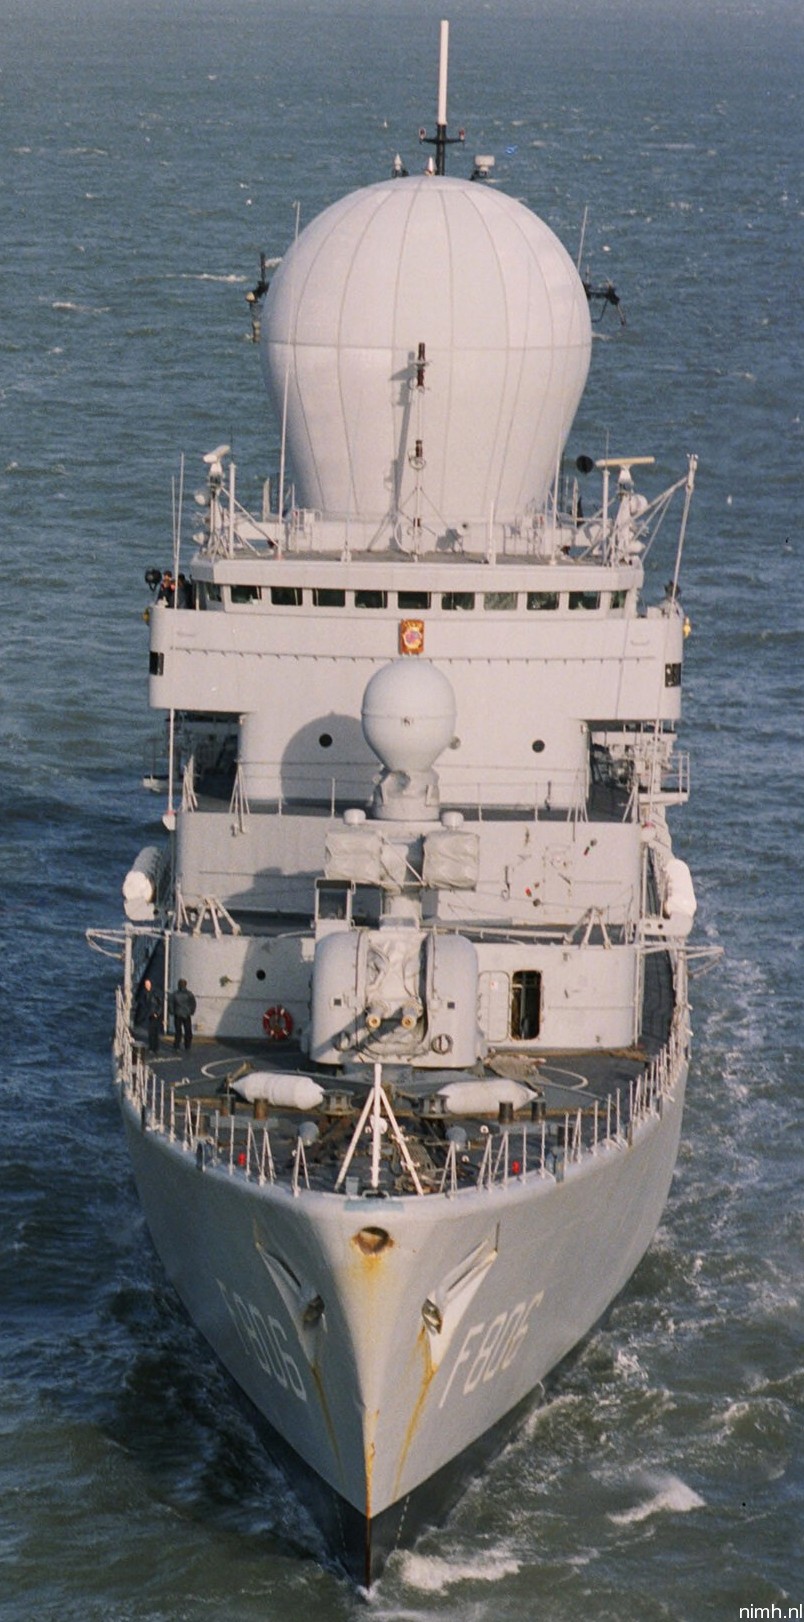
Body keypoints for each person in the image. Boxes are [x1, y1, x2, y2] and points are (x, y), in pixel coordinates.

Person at [169, 978, 197, 1050]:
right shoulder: (189, 994)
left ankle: (177, 1045)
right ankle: (187, 1045)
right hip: (187, 1014)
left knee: (178, 1031)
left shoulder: (175, 994)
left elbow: (171, 1003)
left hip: (178, 1014)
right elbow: (193, 1003)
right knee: (188, 1031)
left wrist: (172, 1011)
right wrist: (191, 1011)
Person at [143, 978, 163, 1054]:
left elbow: (160, 1004)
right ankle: (152, 1047)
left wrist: (157, 1013)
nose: (146, 986)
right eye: (146, 985)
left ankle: (155, 1048)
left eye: (147, 984)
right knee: (151, 1032)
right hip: (150, 1015)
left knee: (155, 1032)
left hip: (155, 1015)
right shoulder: (146, 993)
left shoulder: (155, 993)